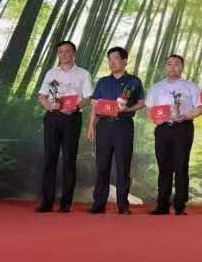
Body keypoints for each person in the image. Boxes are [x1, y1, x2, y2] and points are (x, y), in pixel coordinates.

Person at [35, 41, 93, 213]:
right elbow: (41, 96)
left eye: (67, 51)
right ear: (58, 55)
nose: (64, 55)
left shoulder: (83, 74)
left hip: (72, 119)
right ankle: (46, 202)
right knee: (50, 158)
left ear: (74, 53)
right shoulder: (51, 73)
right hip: (52, 118)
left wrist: (75, 107)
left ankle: (66, 203)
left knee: (69, 159)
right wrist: (49, 106)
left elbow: (88, 98)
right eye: (60, 52)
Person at [87, 47, 145, 215]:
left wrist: (127, 109)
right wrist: (91, 126)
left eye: (115, 58)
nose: (112, 62)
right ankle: (99, 204)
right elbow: (95, 105)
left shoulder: (134, 81)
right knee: (102, 166)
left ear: (125, 61)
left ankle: (123, 205)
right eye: (109, 59)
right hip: (104, 126)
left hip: (123, 126)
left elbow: (141, 103)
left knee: (123, 166)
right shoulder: (103, 81)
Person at [145, 54, 202, 216]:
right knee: (164, 167)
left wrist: (186, 116)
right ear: (165, 67)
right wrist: (156, 120)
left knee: (181, 165)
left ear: (182, 67)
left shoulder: (190, 86)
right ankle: (162, 205)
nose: (173, 67)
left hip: (183, 128)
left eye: (177, 64)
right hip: (163, 129)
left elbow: (200, 108)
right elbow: (149, 109)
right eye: (169, 64)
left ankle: (180, 205)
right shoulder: (157, 87)